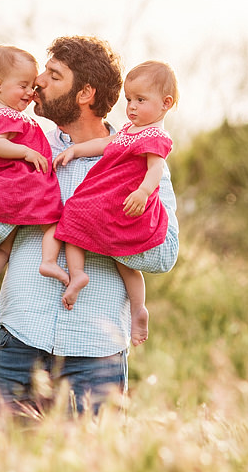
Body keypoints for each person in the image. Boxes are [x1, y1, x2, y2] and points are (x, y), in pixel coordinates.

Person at [0, 36, 179, 418]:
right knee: (13, 471)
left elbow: (164, 255)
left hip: (96, 353)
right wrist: (23, 201)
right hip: (20, 341)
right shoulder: (25, 147)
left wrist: (95, 224)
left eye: (54, 75)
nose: (40, 82)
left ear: (85, 93)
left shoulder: (143, 160)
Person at [40, 60, 178, 346]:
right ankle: (101, 288)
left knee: (81, 225)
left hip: (127, 200)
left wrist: (142, 193)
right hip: (115, 200)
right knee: (115, 254)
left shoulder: (157, 137)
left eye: (141, 100)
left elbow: (155, 170)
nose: (132, 107)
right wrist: (77, 150)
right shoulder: (129, 132)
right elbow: (107, 144)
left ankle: (135, 306)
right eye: (129, 99)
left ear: (166, 103)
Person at [0, 45, 65, 316]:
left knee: (4, 247)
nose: (30, 92)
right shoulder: (5, 116)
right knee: (56, 221)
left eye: (32, 86)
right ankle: (48, 260)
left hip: (9, 191)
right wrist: (26, 151)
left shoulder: (2, 115)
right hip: (22, 189)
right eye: (23, 85)